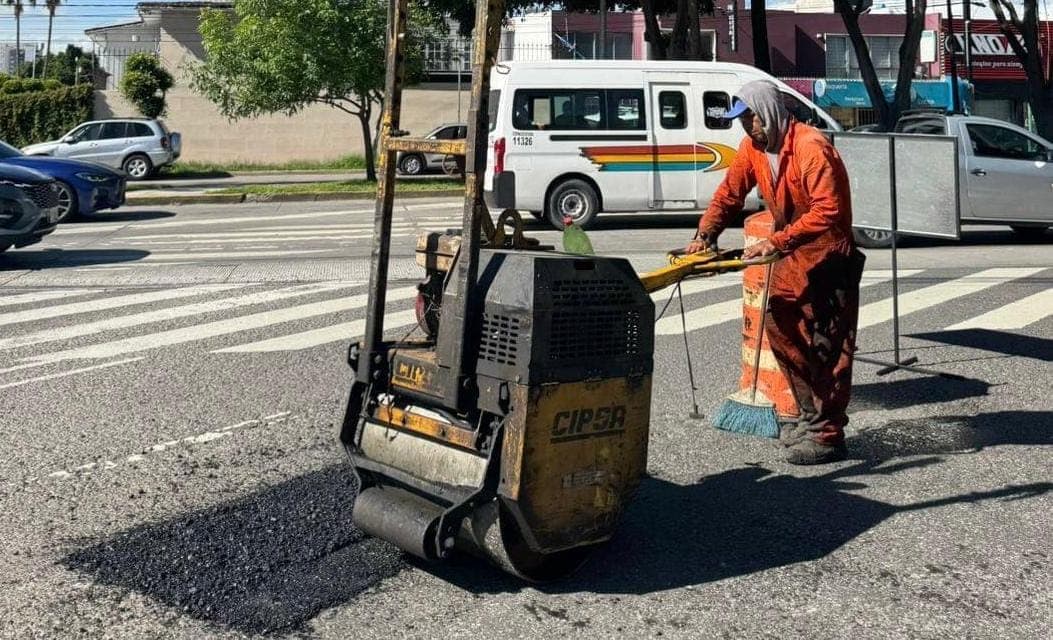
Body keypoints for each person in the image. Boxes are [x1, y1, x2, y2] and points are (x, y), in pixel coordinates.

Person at [687, 80, 865, 465]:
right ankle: (808, 415)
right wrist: (705, 235)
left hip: (829, 257)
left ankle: (828, 434)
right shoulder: (753, 150)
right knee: (780, 329)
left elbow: (828, 210)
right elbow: (728, 194)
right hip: (793, 256)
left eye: (751, 117)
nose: (748, 127)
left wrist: (779, 241)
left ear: (769, 111)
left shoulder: (810, 147)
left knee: (829, 349)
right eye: (741, 120)